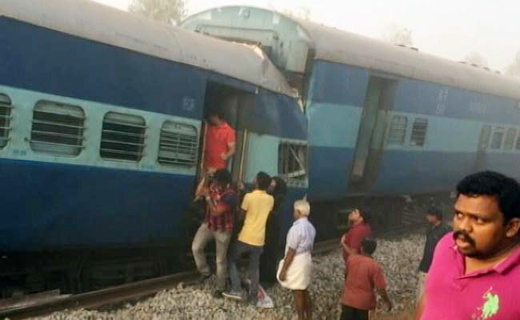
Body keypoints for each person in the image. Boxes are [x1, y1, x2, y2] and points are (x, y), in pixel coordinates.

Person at [416, 171, 520, 319]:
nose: (463, 227)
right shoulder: (447, 244)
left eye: (479, 220)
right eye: (459, 215)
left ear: (511, 227)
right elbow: (431, 297)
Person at [223, 172, 274, 304]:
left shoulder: (248, 197)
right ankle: (253, 296)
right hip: (259, 239)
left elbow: (241, 216)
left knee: (230, 259)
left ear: (256, 182)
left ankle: (236, 289)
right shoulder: (270, 199)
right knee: (254, 267)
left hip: (246, 237)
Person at [191, 169, 237, 298]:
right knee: (196, 247)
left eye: (218, 182)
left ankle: (220, 287)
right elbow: (198, 192)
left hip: (223, 229)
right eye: (215, 181)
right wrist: (205, 177)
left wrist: (207, 197)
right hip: (209, 225)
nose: (215, 184)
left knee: (220, 260)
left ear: (225, 183)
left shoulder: (231, 195)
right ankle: (205, 272)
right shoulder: (214, 185)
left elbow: (216, 211)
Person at [277, 199, 316, 320]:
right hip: (306, 259)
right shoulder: (311, 227)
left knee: (297, 292)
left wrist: (284, 269)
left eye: (294, 211)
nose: (293, 213)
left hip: (297, 261)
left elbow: (291, 251)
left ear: (298, 212)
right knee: (304, 290)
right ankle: (309, 317)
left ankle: (301, 317)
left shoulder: (296, 229)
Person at [340, 239, 393, 320]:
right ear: (373, 250)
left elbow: (346, 276)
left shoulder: (351, 259)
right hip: (363, 304)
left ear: (362, 248)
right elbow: (380, 288)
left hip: (348, 301)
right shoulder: (374, 265)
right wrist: (387, 301)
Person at [416, 207, 451, 300]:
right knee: (423, 290)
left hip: (439, 264)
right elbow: (427, 248)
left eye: (429, 216)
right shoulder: (430, 229)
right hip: (427, 264)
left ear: (435, 217)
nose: (427, 218)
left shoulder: (446, 230)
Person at [261, 176, 288, 283]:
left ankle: (269, 277)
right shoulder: (277, 196)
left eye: (273, 184)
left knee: (269, 253)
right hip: (270, 228)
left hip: (272, 229)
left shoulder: (277, 198)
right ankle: (265, 275)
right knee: (267, 253)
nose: (270, 186)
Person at [204, 109, 236, 174]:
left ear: (216, 117)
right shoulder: (208, 127)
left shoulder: (228, 131)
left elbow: (232, 149)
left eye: (211, 116)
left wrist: (226, 156)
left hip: (219, 168)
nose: (209, 118)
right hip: (205, 165)